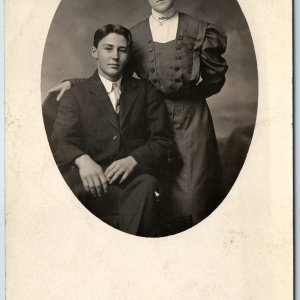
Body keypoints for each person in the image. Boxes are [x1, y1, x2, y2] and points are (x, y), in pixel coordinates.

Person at [48, 0, 228, 228]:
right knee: (156, 193)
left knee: (192, 196)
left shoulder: (200, 29)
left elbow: (215, 78)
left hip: (190, 120)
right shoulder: (135, 35)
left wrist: (188, 96)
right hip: (146, 118)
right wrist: (74, 83)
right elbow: (112, 74)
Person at [50, 24, 174, 237]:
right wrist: (82, 160)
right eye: (108, 49)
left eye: (122, 50)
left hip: (134, 179)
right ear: (94, 52)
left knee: (148, 186)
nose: (115, 56)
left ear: (128, 54)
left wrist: (134, 160)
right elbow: (60, 141)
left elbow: (163, 141)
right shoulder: (75, 95)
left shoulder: (146, 92)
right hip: (88, 177)